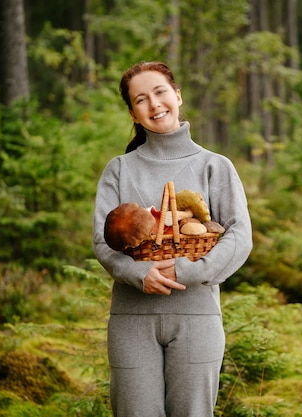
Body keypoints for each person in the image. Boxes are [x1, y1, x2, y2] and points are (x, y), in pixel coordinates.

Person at [93, 61, 253, 417]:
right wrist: (139, 275)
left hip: (197, 315)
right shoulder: (119, 169)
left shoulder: (216, 166)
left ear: (177, 95)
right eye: (141, 100)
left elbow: (240, 236)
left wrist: (184, 271)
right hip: (131, 320)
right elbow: (102, 243)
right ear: (133, 114)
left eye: (160, 92)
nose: (154, 104)